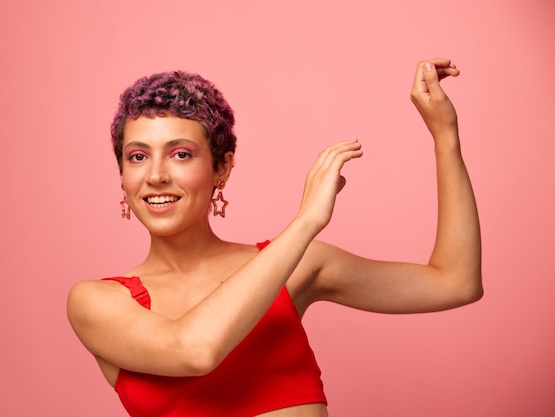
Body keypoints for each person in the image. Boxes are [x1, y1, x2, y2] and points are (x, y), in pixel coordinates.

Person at [67, 58, 482, 417]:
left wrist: (445, 136)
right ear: (122, 174)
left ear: (222, 167)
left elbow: (455, 282)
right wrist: (305, 222)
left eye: (181, 154)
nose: (155, 175)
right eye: (137, 156)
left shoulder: (293, 265)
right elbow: (194, 350)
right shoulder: (98, 302)